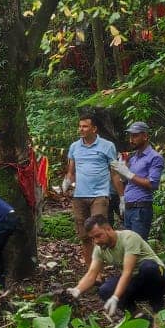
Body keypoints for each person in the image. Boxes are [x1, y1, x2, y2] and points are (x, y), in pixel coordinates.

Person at [65, 214, 165, 319]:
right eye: (93, 238)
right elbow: (91, 274)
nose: (96, 241)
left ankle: (158, 313)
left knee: (149, 268)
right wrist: (77, 290)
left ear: (108, 229)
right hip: (136, 284)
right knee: (105, 289)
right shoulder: (100, 249)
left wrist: (115, 297)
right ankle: (138, 316)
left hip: (159, 279)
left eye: (98, 236)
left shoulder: (129, 238)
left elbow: (127, 272)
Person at [63, 112, 118, 267]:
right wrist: (67, 181)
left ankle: (101, 268)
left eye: (85, 126)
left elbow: (114, 172)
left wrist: (122, 196)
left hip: (99, 195)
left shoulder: (107, 146)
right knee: (85, 236)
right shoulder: (74, 146)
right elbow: (71, 171)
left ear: (94, 129)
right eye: (80, 126)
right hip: (79, 195)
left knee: (98, 233)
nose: (81, 129)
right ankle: (91, 271)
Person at [112, 121, 165, 240]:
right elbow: (129, 182)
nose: (131, 139)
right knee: (129, 246)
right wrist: (123, 174)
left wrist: (129, 174)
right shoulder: (133, 158)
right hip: (129, 207)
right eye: (130, 136)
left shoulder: (155, 157)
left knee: (137, 248)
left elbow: (153, 183)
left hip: (141, 208)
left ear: (145, 136)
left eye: (135, 136)